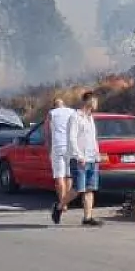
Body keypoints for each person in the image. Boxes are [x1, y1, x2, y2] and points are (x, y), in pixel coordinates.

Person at [68, 92, 103, 227]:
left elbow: (93, 139)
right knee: (78, 190)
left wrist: (97, 154)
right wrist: (78, 156)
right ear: (89, 101)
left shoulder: (90, 118)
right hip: (80, 159)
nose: (97, 104)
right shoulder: (75, 117)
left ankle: (87, 218)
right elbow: (72, 138)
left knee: (90, 188)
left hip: (92, 158)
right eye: (95, 101)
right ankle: (59, 206)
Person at [45, 96, 77, 225]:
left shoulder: (51, 114)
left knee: (59, 176)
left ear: (54, 106)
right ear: (64, 104)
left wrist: (49, 150)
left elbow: (47, 134)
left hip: (57, 147)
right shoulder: (73, 112)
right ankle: (65, 202)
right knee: (69, 176)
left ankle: (62, 203)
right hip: (70, 147)